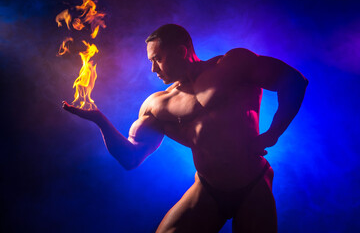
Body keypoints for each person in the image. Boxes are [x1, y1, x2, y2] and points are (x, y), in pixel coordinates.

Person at [63, 24, 308, 233]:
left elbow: (294, 82)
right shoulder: (157, 104)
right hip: (207, 189)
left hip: (252, 184)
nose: (153, 69)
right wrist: (99, 120)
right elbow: (131, 158)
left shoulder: (233, 65)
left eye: (157, 59)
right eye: (151, 62)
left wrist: (273, 133)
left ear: (181, 51)